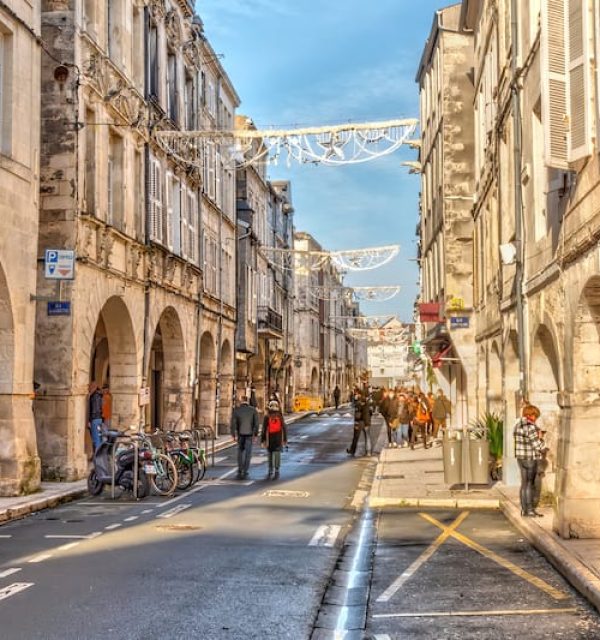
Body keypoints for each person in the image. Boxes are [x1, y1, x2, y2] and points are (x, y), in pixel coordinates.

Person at [514, 404, 546, 517]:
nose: (536, 418)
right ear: (531, 415)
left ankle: (524, 509)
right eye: (535, 416)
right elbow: (538, 446)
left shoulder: (517, 425)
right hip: (530, 458)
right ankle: (530, 510)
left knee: (523, 484)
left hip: (520, 458)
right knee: (529, 484)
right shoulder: (531, 427)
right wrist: (541, 438)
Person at [231, 395, 259, 479]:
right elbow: (256, 424)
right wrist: (255, 434)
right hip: (249, 434)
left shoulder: (237, 410)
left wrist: (233, 434)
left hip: (240, 434)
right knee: (248, 453)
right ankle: (245, 470)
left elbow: (233, 424)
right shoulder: (253, 410)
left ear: (241, 401)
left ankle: (240, 469)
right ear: (247, 401)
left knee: (240, 452)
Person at [261, 400, 287, 480]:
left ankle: (270, 469)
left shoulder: (267, 416)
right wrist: (285, 439)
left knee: (270, 454)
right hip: (278, 437)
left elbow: (264, 429)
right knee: (277, 453)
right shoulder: (279, 415)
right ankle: (277, 469)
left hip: (270, 438)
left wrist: (263, 440)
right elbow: (284, 427)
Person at [347, 391, 372, 457]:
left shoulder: (358, 403)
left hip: (360, 422)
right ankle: (368, 452)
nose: (355, 395)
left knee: (356, 437)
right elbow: (370, 412)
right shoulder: (367, 403)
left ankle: (352, 450)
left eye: (356, 394)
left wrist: (356, 422)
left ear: (359, 395)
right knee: (367, 437)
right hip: (367, 422)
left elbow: (357, 414)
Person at [88, 382, 104, 451]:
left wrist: (89, 420)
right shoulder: (100, 395)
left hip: (94, 419)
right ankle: (99, 453)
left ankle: (97, 455)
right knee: (99, 437)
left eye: (90, 387)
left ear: (93, 387)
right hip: (99, 418)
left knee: (95, 438)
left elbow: (94, 409)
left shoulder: (94, 396)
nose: (88, 389)